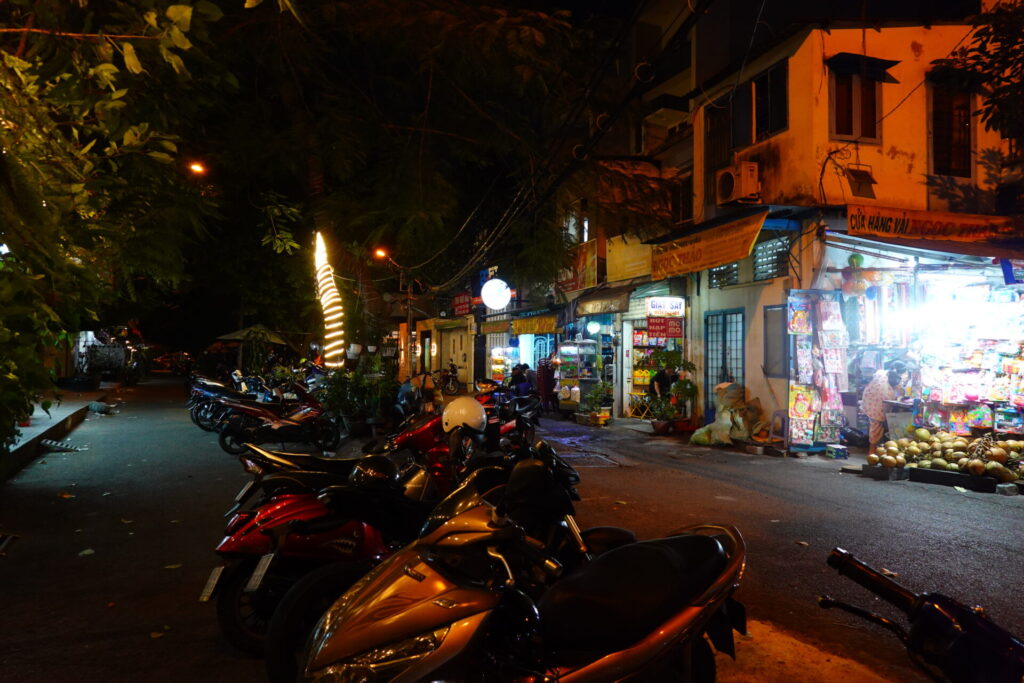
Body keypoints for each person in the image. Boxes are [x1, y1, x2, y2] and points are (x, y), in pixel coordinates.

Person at [862, 360, 908, 452]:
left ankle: (874, 449)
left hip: (869, 399)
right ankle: (872, 451)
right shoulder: (896, 378)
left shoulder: (880, 372)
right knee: (876, 427)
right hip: (880, 403)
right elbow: (902, 392)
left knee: (874, 425)